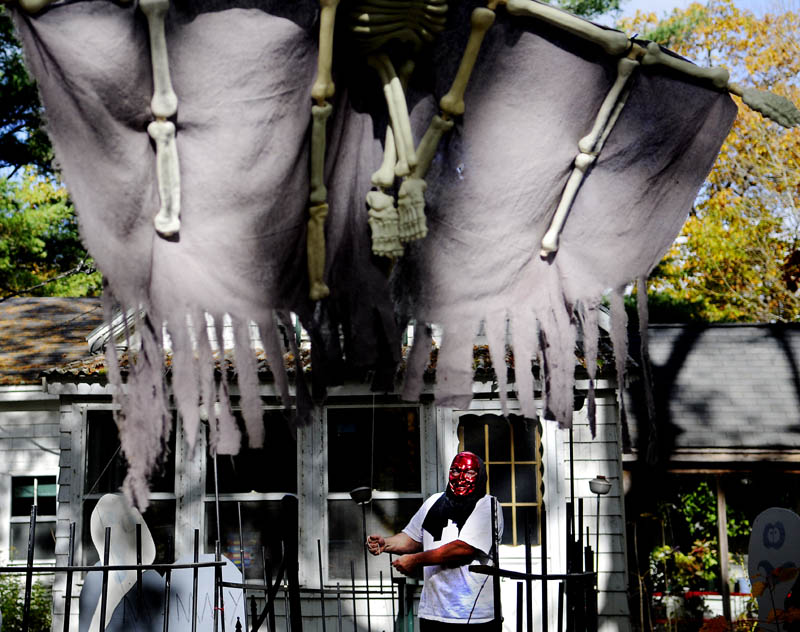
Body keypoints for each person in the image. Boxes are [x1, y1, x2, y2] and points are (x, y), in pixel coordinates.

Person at [366, 451, 503, 631]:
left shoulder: (488, 505)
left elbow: (462, 549)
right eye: (455, 471)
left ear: (480, 476)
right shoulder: (434, 502)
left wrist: (415, 560)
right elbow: (411, 538)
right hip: (433, 612)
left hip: (474, 616)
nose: (460, 478)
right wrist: (387, 543)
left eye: (469, 473)